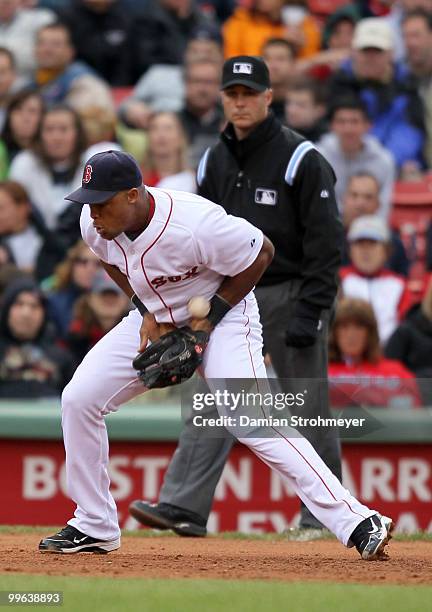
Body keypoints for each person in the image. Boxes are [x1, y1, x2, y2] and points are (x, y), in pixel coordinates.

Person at [38, 149, 393, 560]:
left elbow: (262, 253)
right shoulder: (94, 222)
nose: (93, 212)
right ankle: (94, 524)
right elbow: (110, 258)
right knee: (79, 398)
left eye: (102, 201)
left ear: (133, 195)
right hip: (159, 315)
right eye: (89, 201)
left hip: (226, 315)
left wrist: (206, 326)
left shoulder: (195, 223)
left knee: (252, 420)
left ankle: (357, 519)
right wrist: (144, 309)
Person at [133, 55, 344, 534]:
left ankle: (323, 515)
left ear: (270, 97)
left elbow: (327, 243)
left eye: (250, 94)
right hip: (232, 294)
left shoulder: (301, 157)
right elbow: (202, 238)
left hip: (291, 291)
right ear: (222, 98)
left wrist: (312, 310)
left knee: (306, 402)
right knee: (211, 398)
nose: (240, 102)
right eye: (233, 94)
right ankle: (184, 507)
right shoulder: (213, 159)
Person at [329, 17, 425, 171]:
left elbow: (410, 131)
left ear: (391, 54)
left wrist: (381, 164)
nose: (370, 58)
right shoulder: (339, 82)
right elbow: (332, 131)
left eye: (377, 51)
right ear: (353, 52)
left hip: (393, 166)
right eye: (365, 51)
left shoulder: (407, 85)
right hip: (343, 164)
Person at [328, 297, 422, 409]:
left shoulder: (395, 372)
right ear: (334, 333)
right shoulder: (321, 372)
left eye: (359, 327)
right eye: (344, 327)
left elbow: (412, 414)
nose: (351, 335)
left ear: (370, 333)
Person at [317, 97, 396, 220]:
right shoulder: (318, 157)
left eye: (354, 121)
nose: (348, 129)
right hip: (329, 225)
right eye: (341, 122)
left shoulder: (383, 160)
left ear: (368, 125)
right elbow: (318, 201)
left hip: (372, 229)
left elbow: (384, 205)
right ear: (332, 126)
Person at [340, 215, 413, 344]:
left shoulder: (399, 284)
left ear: (387, 250)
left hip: (388, 355)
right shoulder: (338, 279)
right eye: (360, 243)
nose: (366, 251)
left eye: (372, 243)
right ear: (350, 250)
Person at [0, 277, 74, 399]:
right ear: (7, 310)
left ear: (44, 313)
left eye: (34, 306)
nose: (26, 313)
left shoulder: (62, 358)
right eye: (19, 304)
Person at [32, 21, 114, 113]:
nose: (47, 49)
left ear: (70, 51)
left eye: (56, 44)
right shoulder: (31, 82)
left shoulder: (85, 83)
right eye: (41, 43)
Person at [341, 173, 409, 277]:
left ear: (378, 204)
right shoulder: (329, 240)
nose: (360, 203)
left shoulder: (393, 243)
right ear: (344, 199)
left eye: (368, 197)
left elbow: (402, 283)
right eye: (354, 195)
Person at [55, 0, 133, 86]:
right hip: (76, 83)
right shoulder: (67, 16)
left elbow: (127, 60)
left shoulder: (124, 15)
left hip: (117, 85)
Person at [46, 240, 102, 338]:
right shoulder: (54, 302)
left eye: (98, 264)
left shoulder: (118, 301)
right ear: (72, 265)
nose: (90, 269)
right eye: (83, 262)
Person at [402, 9, 432, 167]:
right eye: (406, 36)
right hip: (417, 169)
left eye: (416, 35)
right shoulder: (399, 79)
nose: (410, 43)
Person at [141, 111, 196, 192]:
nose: (161, 134)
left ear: (180, 138)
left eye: (168, 128)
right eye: (154, 128)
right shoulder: (137, 180)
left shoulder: (193, 182)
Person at [0, 89, 44, 178]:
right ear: (9, 116)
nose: (25, 117)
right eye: (18, 110)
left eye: (32, 111)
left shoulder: (51, 152)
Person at [261, 38, 296, 122]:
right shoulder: (251, 101)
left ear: (293, 63)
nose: (273, 66)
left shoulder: (304, 100)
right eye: (267, 59)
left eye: (281, 59)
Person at [284, 77, 328, 141]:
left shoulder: (330, 138)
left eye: (301, 105)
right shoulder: (276, 133)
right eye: (289, 103)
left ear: (320, 110)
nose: (291, 110)